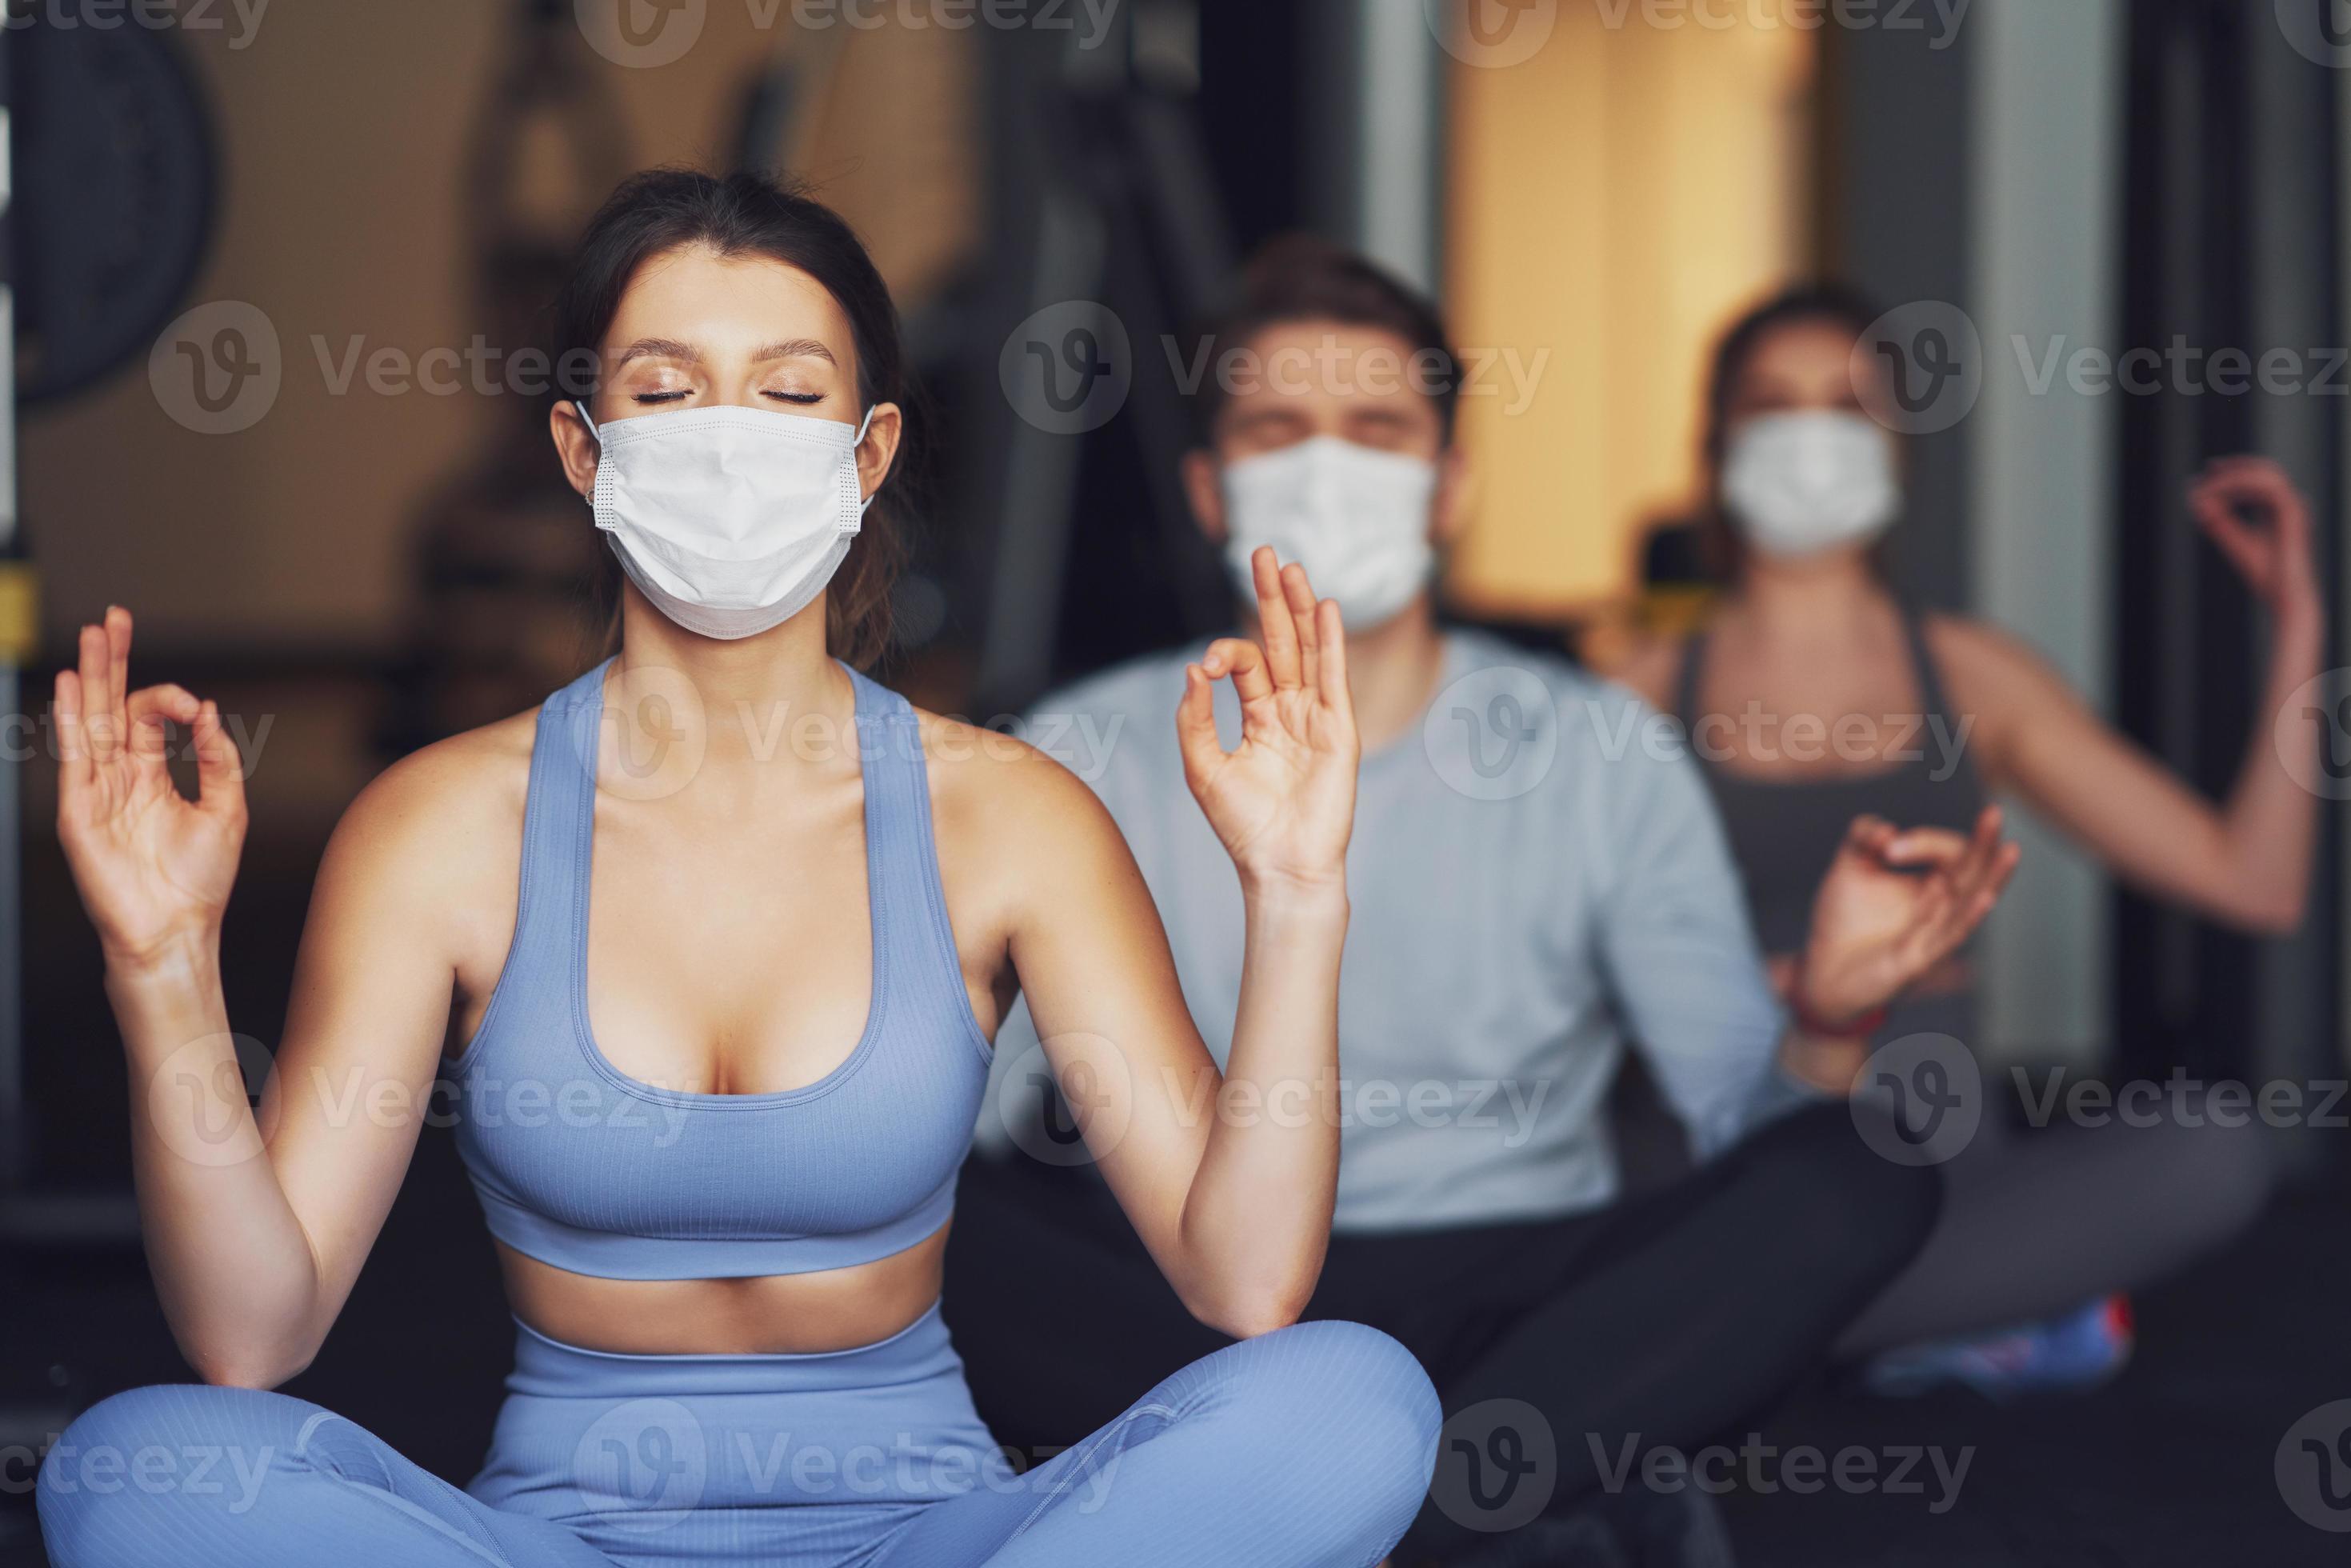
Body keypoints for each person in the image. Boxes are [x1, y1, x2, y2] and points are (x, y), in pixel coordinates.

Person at [35, 171, 1444, 1568]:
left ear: (869, 449)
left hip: (941, 1538)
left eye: (785, 391)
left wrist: (1298, 889)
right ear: (585, 451)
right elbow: (251, 1333)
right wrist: (158, 966)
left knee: (1350, 1397)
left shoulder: (1007, 817)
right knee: (133, 1470)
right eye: (664, 392)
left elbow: (1247, 1280)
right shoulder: (441, 826)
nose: (726, 437)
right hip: (554, 1544)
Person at [944, 236, 2021, 1566]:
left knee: (1859, 1178)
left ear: (1449, 488)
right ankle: (1502, 1502)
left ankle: (1335, 1516)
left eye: (1376, 427)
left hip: (1521, 1291)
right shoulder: (1077, 748)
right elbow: (962, 1132)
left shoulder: (1601, 752)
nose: (1327, 466)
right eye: (1281, 428)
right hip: (1190, 1301)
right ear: (1211, 491)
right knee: (922, 1228)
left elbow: (1744, 1123)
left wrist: (1839, 1015)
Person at [1610, 284, 2314, 1391]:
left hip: (1929, 1167)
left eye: (1846, 407)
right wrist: (1801, 982)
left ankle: (1823, 1326)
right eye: (1771, 405)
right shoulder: (1634, 690)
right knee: (1608, 1199)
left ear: (1894, 447)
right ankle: (1945, 1319)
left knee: (2212, 1148)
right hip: (1722, 1160)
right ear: (1717, 445)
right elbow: (1541, 986)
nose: (1808, 437)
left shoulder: (1978, 679)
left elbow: (2254, 885)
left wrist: (2303, 627)